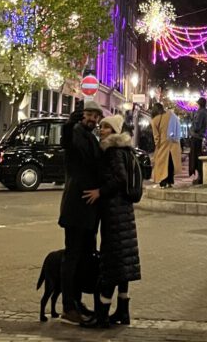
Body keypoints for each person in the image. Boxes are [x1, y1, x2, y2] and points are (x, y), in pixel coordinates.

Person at [58, 98, 104, 325]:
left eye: (96, 116)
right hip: (76, 206)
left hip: (89, 209)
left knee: (84, 256)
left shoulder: (92, 138)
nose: (92, 119)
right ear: (82, 114)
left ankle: (76, 301)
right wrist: (69, 124)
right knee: (72, 256)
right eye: (89, 115)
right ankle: (68, 306)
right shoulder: (75, 132)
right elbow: (66, 143)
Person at [96, 114, 141, 326]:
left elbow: (120, 178)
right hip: (125, 210)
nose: (101, 130)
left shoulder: (112, 150)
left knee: (112, 263)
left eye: (105, 127)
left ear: (113, 131)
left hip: (114, 211)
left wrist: (100, 192)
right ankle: (123, 311)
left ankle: (103, 315)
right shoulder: (126, 149)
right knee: (123, 264)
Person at [151, 102, 182, 188]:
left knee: (161, 164)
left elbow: (156, 136)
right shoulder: (171, 115)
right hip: (174, 143)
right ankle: (170, 181)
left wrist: (157, 147)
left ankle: (163, 181)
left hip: (163, 144)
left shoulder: (155, 120)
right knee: (171, 162)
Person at [191, 96, 207, 185]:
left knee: (196, 158)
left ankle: (200, 177)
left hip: (197, 137)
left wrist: (193, 119)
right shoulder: (204, 112)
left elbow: (197, 126)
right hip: (199, 137)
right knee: (197, 157)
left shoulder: (201, 112)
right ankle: (199, 176)